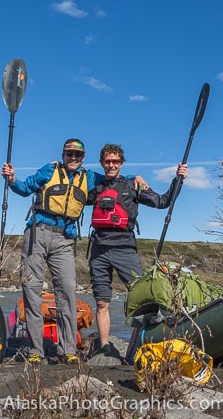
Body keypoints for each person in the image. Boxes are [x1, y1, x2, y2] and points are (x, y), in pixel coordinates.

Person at [1, 138, 147, 365]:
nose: (73, 158)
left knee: (67, 292)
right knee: (31, 290)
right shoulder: (49, 170)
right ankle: (36, 350)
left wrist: (134, 178)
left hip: (65, 239)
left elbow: (113, 178)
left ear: (83, 158)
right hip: (37, 233)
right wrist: (11, 179)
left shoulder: (89, 178)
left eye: (77, 155)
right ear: (63, 155)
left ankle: (68, 349)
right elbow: (25, 187)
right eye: (69, 154)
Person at [87, 143, 188, 356]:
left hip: (124, 248)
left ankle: (143, 345)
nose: (111, 165)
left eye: (115, 161)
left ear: (121, 164)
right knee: (101, 301)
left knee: (143, 298)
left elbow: (162, 202)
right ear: (102, 163)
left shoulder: (133, 186)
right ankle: (104, 346)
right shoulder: (95, 187)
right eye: (107, 161)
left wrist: (178, 179)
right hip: (98, 250)